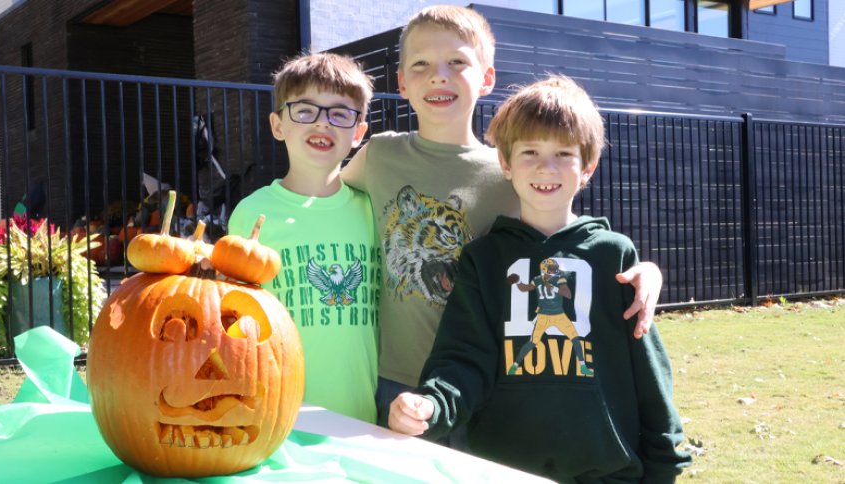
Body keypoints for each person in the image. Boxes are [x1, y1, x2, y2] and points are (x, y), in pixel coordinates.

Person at [340, 4, 662, 423]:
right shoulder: (378, 155)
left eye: (457, 62)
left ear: (487, 78)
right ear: (401, 82)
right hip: (396, 381)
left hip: (486, 383)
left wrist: (646, 270)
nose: (438, 75)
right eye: (421, 64)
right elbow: (321, 203)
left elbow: (568, 242)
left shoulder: (513, 169)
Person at [386, 75, 692, 482]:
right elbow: (463, 359)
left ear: (587, 167)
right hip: (502, 472)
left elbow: (648, 371)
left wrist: (665, 462)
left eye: (563, 153)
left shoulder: (614, 256)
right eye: (530, 151)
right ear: (506, 163)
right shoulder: (483, 259)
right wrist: (432, 405)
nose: (546, 167)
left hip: (607, 473)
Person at [228, 53, 379, 423]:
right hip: (280, 417)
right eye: (306, 110)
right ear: (278, 125)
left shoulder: (373, 209)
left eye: (340, 114)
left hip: (364, 417)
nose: (322, 123)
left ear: (358, 133)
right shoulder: (252, 213)